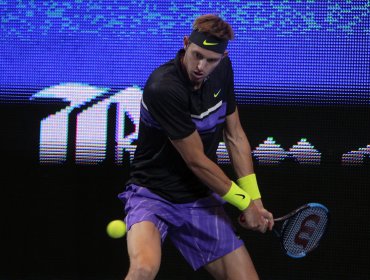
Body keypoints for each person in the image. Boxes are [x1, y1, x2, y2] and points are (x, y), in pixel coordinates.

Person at [118, 14, 274, 280]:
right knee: (143, 269)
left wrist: (255, 201)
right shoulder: (163, 87)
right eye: (196, 55)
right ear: (186, 43)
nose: (201, 66)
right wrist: (243, 202)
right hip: (154, 196)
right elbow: (196, 161)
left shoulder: (223, 72)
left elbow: (235, 136)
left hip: (200, 198)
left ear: (222, 58)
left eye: (211, 60)